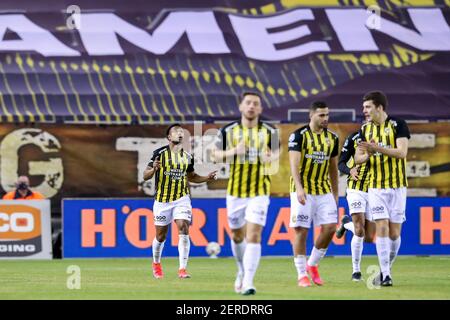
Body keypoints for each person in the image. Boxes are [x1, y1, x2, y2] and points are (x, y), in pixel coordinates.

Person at [212, 92, 279, 295]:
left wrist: (271, 158)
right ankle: (241, 271)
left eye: (255, 104)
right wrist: (234, 152)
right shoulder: (228, 131)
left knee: (254, 235)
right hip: (235, 192)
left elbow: (276, 154)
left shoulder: (270, 131)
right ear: (241, 106)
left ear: (260, 109)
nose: (251, 106)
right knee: (237, 235)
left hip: (259, 190)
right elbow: (214, 155)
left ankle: (249, 281)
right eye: (248, 103)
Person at [143, 124, 217, 279]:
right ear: (169, 137)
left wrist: (206, 177)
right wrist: (154, 169)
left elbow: (192, 177)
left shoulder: (188, 157)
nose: (180, 134)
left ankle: (182, 269)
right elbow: (145, 176)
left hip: (181, 198)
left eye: (182, 132)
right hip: (162, 201)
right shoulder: (160, 154)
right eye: (176, 132)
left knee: (183, 227)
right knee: (161, 236)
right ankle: (156, 263)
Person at [354, 91, 410, 287]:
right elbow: (357, 158)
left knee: (395, 234)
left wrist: (376, 148)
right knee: (382, 228)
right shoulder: (365, 129)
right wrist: (367, 153)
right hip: (376, 187)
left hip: (397, 187)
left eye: (368, 107)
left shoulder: (398, 125)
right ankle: (386, 275)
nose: (365, 111)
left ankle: (387, 269)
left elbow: (402, 153)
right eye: (364, 107)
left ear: (379, 108)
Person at [288, 101, 339, 287]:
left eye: (327, 115)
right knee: (301, 230)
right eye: (321, 115)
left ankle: (312, 264)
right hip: (302, 190)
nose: (325, 119)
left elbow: (333, 168)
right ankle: (301, 274)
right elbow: (294, 164)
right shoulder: (299, 135)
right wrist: (300, 188)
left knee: (331, 228)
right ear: (311, 115)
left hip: (324, 190)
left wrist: (335, 193)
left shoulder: (332, 138)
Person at [336, 128, 376, 281]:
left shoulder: (386, 136)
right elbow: (341, 163)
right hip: (356, 188)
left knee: (369, 237)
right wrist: (350, 170)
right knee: (359, 229)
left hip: (374, 191)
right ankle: (356, 271)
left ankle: (346, 223)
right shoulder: (354, 137)